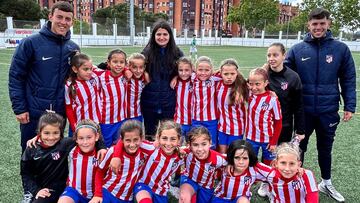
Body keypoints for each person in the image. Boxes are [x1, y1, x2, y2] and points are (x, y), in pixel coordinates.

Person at [284, 8, 356, 202]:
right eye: (314, 24)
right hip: (303, 111)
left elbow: (348, 78)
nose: (318, 27)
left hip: (328, 110)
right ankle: (295, 182)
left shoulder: (340, 49)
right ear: (308, 25)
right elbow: (284, 75)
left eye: (322, 23)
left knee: (325, 148)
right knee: (299, 148)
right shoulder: (298, 49)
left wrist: (350, 105)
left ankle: (326, 182)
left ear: (328, 24)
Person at [8, 1, 79, 152]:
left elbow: (83, 73)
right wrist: (19, 108)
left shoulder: (73, 48)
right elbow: (16, 76)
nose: (63, 22)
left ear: (72, 22)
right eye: (59, 17)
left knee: (55, 156)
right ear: (50, 16)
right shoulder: (30, 43)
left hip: (59, 113)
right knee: (31, 152)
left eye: (67, 19)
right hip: (34, 112)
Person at [20, 113, 106, 203]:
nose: (51, 137)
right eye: (46, 133)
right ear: (39, 132)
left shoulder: (65, 144)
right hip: (41, 189)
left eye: (56, 133)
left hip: (59, 188)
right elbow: (25, 173)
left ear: (61, 132)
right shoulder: (31, 148)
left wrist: (101, 147)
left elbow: (88, 136)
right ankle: (30, 194)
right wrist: (36, 190)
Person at [141, 20, 184, 140]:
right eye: (158, 34)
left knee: (168, 133)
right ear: (153, 36)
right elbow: (134, 66)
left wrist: (176, 76)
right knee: (150, 133)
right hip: (149, 101)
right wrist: (144, 72)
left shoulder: (177, 53)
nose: (161, 37)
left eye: (165, 34)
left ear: (170, 36)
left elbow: (187, 69)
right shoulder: (147, 52)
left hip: (169, 101)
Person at [92, 120, 154, 203]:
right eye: (128, 140)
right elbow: (100, 172)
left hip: (127, 198)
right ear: (122, 139)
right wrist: (97, 195)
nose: (132, 144)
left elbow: (160, 145)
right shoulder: (112, 151)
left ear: (141, 138)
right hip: (108, 192)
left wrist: (177, 148)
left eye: (136, 140)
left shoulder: (145, 149)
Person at [245, 68, 282, 197]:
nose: (254, 87)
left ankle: (267, 184)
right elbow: (238, 78)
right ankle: (247, 184)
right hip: (250, 137)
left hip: (268, 139)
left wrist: (273, 142)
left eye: (257, 84)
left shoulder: (272, 99)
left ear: (266, 83)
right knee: (249, 161)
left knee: (268, 163)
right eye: (251, 83)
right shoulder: (249, 94)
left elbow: (278, 122)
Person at [134, 120, 183, 203]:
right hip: (143, 185)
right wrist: (116, 156)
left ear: (179, 140)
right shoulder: (151, 148)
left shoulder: (181, 155)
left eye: (173, 139)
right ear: (158, 138)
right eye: (164, 138)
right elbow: (128, 139)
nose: (168, 143)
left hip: (161, 191)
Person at [265, 43, 305, 144]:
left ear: (284, 55)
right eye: (269, 55)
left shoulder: (293, 77)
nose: (271, 58)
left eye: (275, 55)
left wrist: (300, 130)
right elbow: (247, 87)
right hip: (265, 125)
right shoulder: (263, 75)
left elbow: (299, 106)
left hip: (284, 125)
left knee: (282, 156)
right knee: (267, 158)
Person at [179, 126, 227, 203]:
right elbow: (172, 149)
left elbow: (233, 160)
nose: (200, 149)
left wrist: (230, 166)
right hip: (189, 179)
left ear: (210, 142)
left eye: (204, 144)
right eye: (195, 145)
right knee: (184, 198)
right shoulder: (186, 152)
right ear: (189, 145)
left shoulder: (218, 158)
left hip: (206, 186)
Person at [58, 119, 102, 203]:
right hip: (73, 191)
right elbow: (52, 141)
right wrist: (38, 137)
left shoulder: (102, 153)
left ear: (96, 137)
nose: (85, 142)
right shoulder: (71, 149)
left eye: (89, 138)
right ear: (76, 139)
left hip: (95, 194)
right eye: (81, 138)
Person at [216, 59, 248, 153]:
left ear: (237, 73)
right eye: (226, 74)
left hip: (237, 128)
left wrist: (270, 92)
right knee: (222, 154)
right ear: (220, 73)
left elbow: (259, 83)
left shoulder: (243, 86)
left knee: (233, 154)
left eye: (232, 73)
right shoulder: (217, 83)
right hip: (222, 127)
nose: (229, 77)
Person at [65, 53, 101, 135]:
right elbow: (69, 107)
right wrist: (74, 126)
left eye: (91, 69)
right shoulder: (69, 85)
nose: (89, 72)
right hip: (78, 125)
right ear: (75, 69)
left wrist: (125, 70)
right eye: (85, 69)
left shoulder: (95, 76)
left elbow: (112, 70)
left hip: (95, 123)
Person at [98, 49, 128, 147]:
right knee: (105, 145)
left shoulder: (126, 76)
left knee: (118, 146)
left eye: (121, 62)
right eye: (115, 62)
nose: (118, 65)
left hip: (121, 119)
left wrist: (127, 70)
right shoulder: (100, 76)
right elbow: (88, 67)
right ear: (108, 63)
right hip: (106, 120)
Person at [192, 56, 221, 149]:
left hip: (211, 120)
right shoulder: (192, 78)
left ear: (212, 70)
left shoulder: (215, 79)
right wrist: (175, 77)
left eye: (207, 70)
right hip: (196, 119)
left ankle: (211, 163)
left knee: (211, 144)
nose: (203, 73)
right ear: (195, 70)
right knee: (196, 142)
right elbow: (182, 73)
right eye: (200, 70)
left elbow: (230, 73)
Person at [173, 57, 194, 142]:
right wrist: (175, 76)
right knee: (177, 145)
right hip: (179, 121)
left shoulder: (195, 80)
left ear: (192, 69)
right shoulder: (176, 82)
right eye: (180, 70)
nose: (183, 73)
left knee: (191, 145)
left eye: (187, 70)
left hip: (192, 122)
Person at [126, 53, 150, 122]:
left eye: (141, 67)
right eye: (134, 67)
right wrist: (125, 69)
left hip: (137, 114)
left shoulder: (144, 78)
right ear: (129, 66)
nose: (138, 71)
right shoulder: (124, 76)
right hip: (122, 116)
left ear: (144, 67)